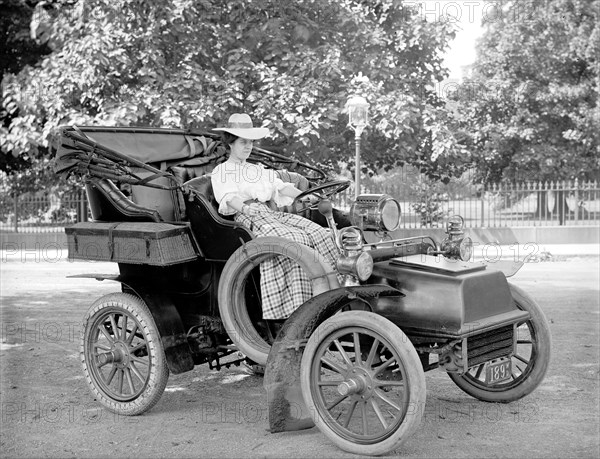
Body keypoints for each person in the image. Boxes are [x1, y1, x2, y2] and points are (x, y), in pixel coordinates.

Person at [211, 113, 341, 320]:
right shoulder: (222, 171)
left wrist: (306, 196)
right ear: (230, 144)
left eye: (251, 142)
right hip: (248, 218)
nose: (248, 146)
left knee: (320, 233)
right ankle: (301, 308)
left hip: (270, 213)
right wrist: (245, 209)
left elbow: (281, 187)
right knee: (294, 241)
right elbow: (228, 197)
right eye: (243, 142)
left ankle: (335, 295)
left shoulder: (256, 170)